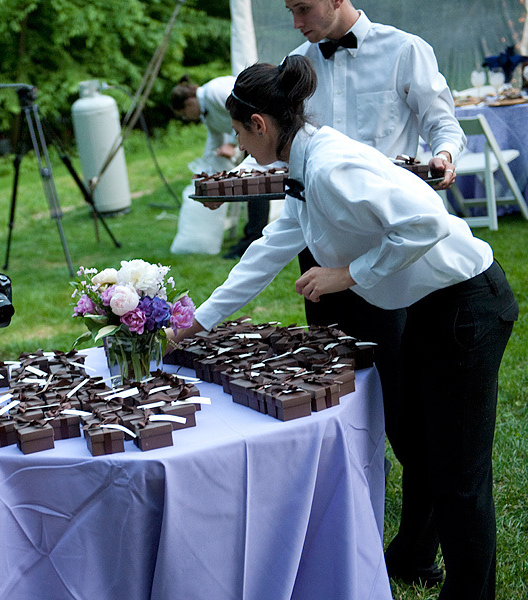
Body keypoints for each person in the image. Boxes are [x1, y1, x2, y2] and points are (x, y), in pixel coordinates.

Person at [169, 56, 517, 600]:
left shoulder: (331, 165)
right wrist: (195, 323)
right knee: (430, 447)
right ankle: (418, 556)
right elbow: (271, 249)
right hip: (430, 305)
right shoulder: (303, 163)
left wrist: (346, 276)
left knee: (459, 471)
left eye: (239, 134)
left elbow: (426, 219)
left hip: (467, 307)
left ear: (259, 125)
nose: (239, 148)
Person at [282, 0, 469, 587]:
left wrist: (443, 155)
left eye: (303, 8)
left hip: (389, 254)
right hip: (320, 252)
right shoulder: (294, 63)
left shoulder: (404, 49)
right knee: (339, 401)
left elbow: (444, 123)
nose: (296, 22)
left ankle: (415, 549)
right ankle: (348, 535)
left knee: (407, 416)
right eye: (287, 9)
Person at [171, 75, 269, 259]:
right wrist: (205, 169)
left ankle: (254, 238)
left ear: (190, 103)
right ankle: (252, 237)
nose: (187, 118)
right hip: (248, 139)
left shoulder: (214, 92)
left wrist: (232, 144)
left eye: (184, 114)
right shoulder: (206, 114)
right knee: (252, 185)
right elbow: (214, 141)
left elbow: (246, 111)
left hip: (258, 134)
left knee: (256, 184)